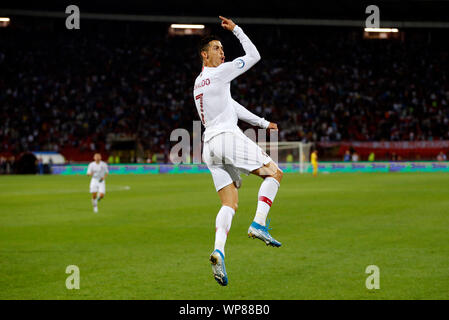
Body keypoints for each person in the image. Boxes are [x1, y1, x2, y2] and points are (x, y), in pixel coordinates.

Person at [193, 16, 283, 286]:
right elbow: (254, 55)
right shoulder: (220, 73)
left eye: (223, 48)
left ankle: (218, 251)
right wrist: (237, 30)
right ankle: (258, 223)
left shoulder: (200, 83)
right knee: (275, 174)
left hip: (209, 147)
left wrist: (263, 123)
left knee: (229, 203)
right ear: (204, 55)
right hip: (226, 138)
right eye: (217, 48)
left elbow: (233, 107)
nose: (222, 52)